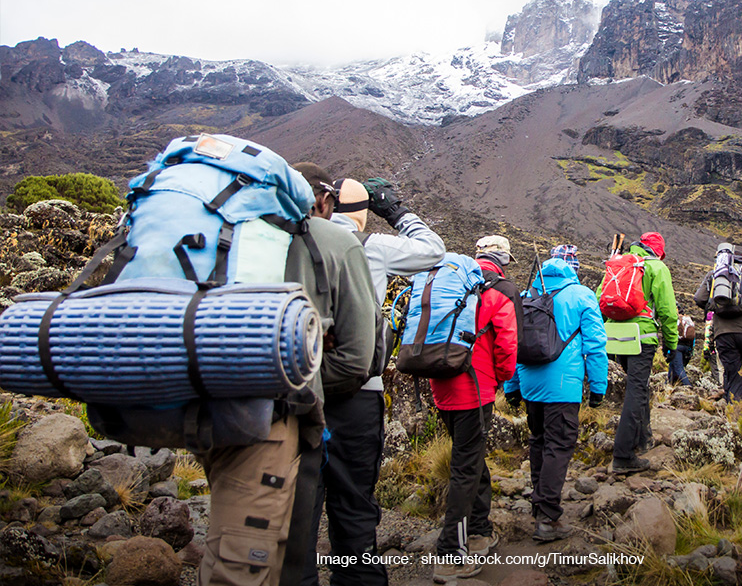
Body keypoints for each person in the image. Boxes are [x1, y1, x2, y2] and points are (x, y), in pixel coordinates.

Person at [199, 164, 376, 586]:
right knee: (332, 523)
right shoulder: (338, 242)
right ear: (324, 200)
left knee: (251, 535)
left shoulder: (230, 237)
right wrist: (306, 366)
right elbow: (357, 359)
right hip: (307, 412)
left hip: (227, 409)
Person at [291, 171, 445, 586]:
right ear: (361, 212)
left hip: (295, 390)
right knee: (354, 508)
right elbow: (434, 250)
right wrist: (396, 212)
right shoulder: (370, 246)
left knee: (297, 511)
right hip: (357, 394)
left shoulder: (285, 242)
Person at [429, 235, 519, 584]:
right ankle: (450, 554)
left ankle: (479, 529)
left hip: (440, 384)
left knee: (470, 457)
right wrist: (501, 379)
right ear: (503, 261)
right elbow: (507, 346)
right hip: (474, 389)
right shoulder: (499, 293)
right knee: (465, 469)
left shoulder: (448, 285)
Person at [504, 253, 606, 541]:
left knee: (538, 441)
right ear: (570, 271)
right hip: (563, 386)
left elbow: (512, 343)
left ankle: (539, 505)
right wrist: (598, 387)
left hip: (529, 385)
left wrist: (511, 387)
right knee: (559, 445)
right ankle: (548, 517)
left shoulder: (526, 295)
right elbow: (595, 345)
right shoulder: (581, 295)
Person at [602, 231, 678, 474]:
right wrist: (671, 344)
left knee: (638, 387)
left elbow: (600, 298)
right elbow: (668, 311)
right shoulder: (656, 268)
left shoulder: (618, 263)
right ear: (659, 251)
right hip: (641, 337)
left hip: (614, 337)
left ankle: (644, 439)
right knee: (636, 390)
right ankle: (623, 455)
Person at [694, 243, 742, 402]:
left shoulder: (715, 274)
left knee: (733, 376)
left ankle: (737, 411)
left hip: (724, 334)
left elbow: (699, 298)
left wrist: (715, 307)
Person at [669, 308, 695, 386]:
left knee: (678, 369)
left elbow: (670, 335)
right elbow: (693, 337)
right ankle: (669, 384)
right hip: (687, 347)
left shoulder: (675, 320)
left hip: (677, 347)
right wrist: (691, 349)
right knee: (672, 366)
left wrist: (668, 350)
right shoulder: (689, 320)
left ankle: (688, 386)